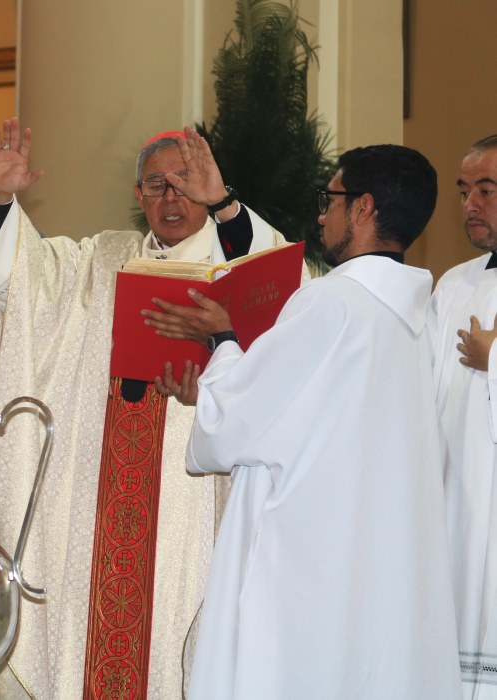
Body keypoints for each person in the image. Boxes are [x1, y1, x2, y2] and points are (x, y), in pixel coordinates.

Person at [0, 118, 288, 697]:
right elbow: (20, 281)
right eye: (155, 185)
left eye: (184, 181)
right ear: (139, 197)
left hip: (189, 491)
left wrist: (227, 206)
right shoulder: (99, 260)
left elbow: (281, 292)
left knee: (178, 621)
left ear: (209, 185)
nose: (170, 197)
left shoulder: (236, 255)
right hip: (97, 491)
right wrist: (1, 199)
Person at [145, 144, 460, 698]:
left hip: (307, 568)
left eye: (329, 199)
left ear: (362, 208)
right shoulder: (421, 318)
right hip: (376, 565)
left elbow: (231, 426)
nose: (321, 214)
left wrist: (221, 338)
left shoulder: (330, 304)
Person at [428, 134, 497, 696]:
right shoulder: (454, 284)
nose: (470, 204)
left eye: (486, 189)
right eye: (464, 191)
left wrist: (493, 357)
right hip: (455, 508)